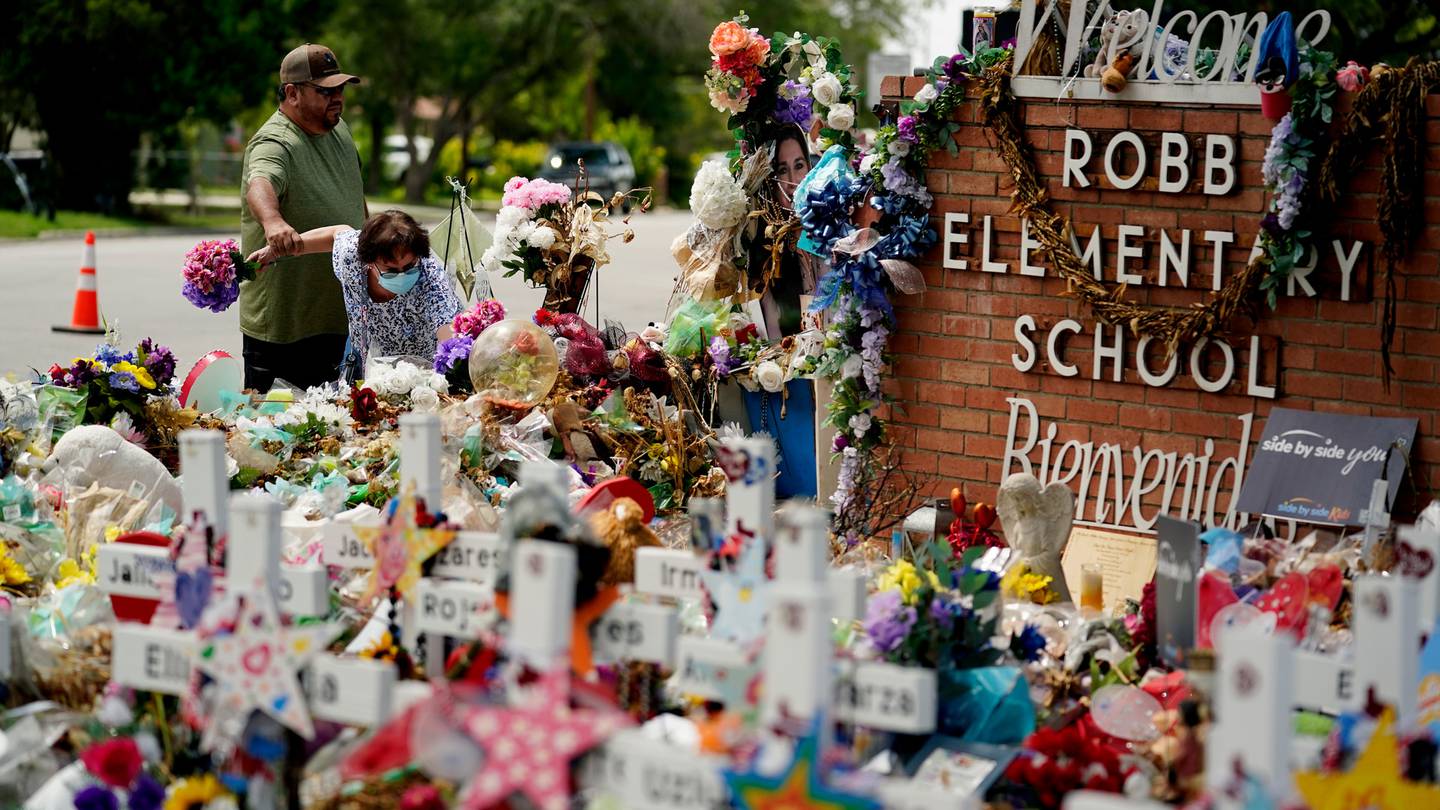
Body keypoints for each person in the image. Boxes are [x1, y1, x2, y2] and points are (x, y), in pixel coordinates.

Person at [239, 43, 366, 391]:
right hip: (285, 329)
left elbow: (356, 198)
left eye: (339, 88)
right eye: (325, 91)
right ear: (292, 93)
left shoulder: (339, 130)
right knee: (272, 439)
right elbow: (260, 182)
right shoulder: (274, 142)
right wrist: (273, 222)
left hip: (340, 319)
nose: (337, 97)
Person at [247, 210, 462, 374]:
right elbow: (335, 234)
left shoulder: (431, 276)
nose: (402, 275)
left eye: (408, 267)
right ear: (369, 262)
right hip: (367, 356)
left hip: (423, 368)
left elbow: (448, 332)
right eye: (391, 270)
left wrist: (452, 365)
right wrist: (275, 251)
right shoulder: (352, 256)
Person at [742, 124, 823, 499]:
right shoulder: (764, 240)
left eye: (800, 165)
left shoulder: (827, 222)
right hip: (794, 370)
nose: (793, 180)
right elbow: (777, 332)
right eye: (782, 170)